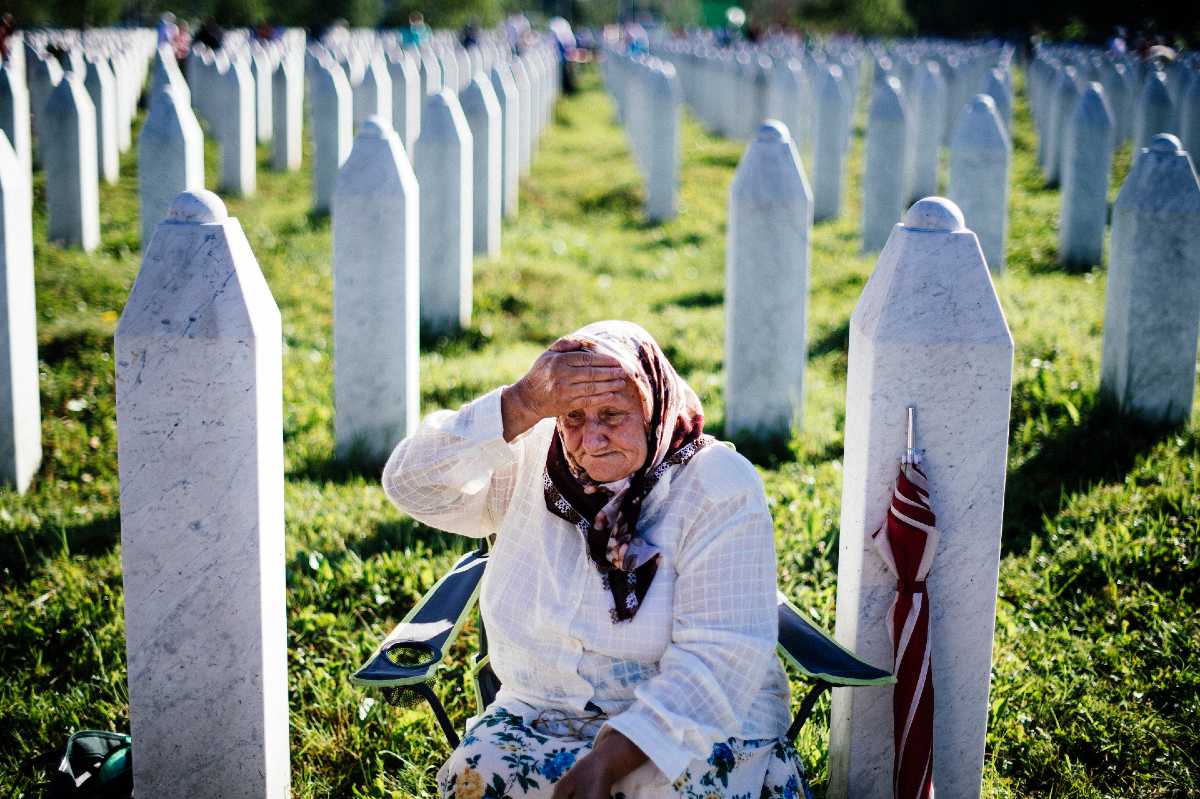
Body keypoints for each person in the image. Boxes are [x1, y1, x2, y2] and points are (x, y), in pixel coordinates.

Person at [382, 321, 812, 799]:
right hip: (541, 716)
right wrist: (519, 404)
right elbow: (412, 485)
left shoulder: (715, 484)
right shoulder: (533, 456)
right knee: (482, 777)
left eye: (612, 413)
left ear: (654, 408)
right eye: (573, 417)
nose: (592, 439)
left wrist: (608, 761)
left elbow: (720, 657)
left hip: (692, 730)